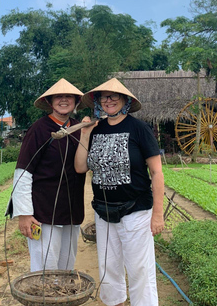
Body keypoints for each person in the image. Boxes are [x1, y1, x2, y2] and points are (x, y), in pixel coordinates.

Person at [74, 78, 164, 306]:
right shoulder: (96, 130)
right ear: (98, 103)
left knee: (139, 270)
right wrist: (85, 134)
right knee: (108, 268)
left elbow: (156, 173)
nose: (109, 100)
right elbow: (80, 167)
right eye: (104, 97)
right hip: (104, 212)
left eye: (114, 96)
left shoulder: (139, 128)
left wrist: (158, 214)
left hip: (136, 211)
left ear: (125, 100)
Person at [10, 78, 86, 272]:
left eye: (68, 96)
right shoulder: (38, 129)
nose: (63, 100)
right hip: (44, 214)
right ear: (50, 102)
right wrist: (24, 213)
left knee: (66, 268)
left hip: (71, 211)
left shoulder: (79, 130)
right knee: (45, 270)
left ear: (76, 101)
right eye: (58, 97)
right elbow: (23, 172)